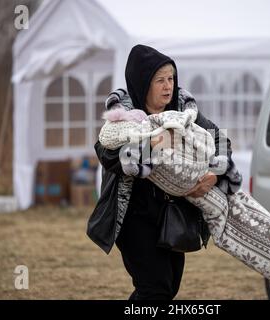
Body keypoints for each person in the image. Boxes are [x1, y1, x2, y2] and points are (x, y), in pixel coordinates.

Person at [87, 44, 235, 300]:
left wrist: (215, 175)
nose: (168, 86)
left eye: (171, 79)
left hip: (173, 215)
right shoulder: (121, 119)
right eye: (160, 80)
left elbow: (221, 141)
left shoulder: (185, 113)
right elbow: (108, 155)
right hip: (134, 217)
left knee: (169, 287)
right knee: (154, 289)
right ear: (143, 83)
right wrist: (151, 145)